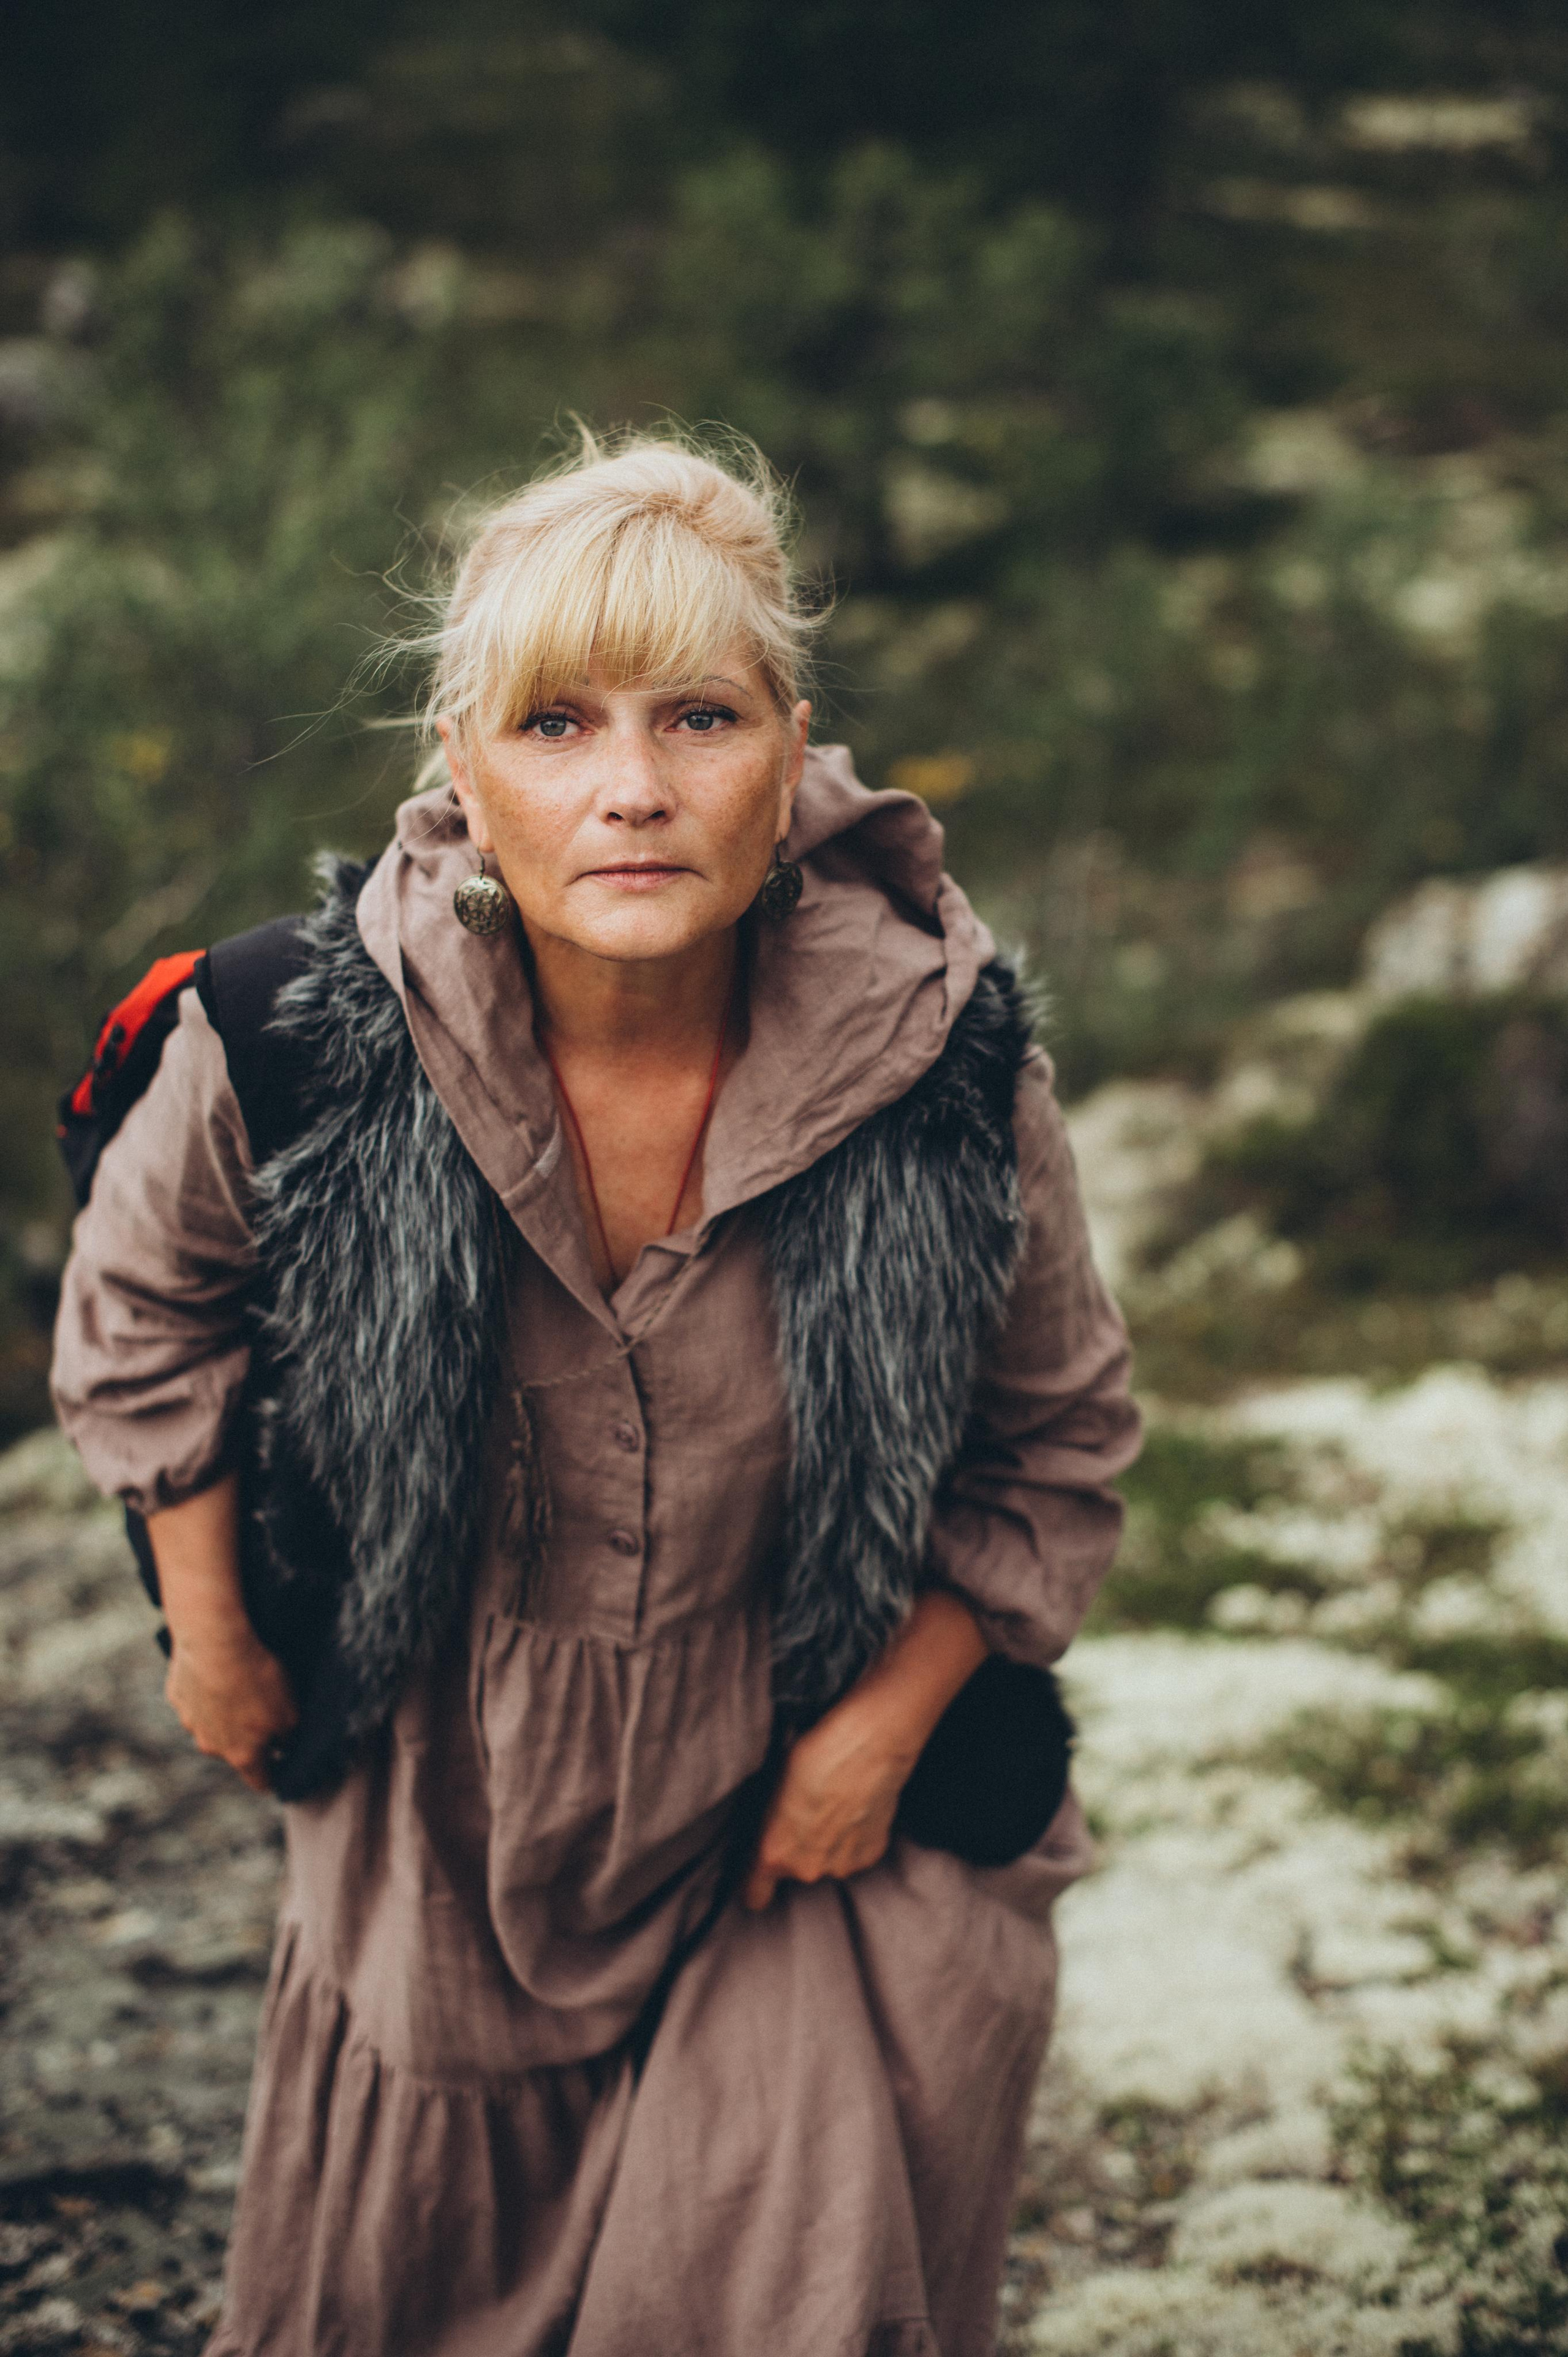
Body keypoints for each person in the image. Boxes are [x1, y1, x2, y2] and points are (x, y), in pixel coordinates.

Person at [51, 430, 1140, 2357]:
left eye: (699, 717)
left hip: (802, 1808)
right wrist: (211, 1638)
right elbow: (143, 1315)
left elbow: (1054, 1435)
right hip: (442, 1799)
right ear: (461, 771)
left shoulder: (945, 1060)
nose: (633, 788)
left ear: (791, 759)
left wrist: (875, 1738)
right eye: (555, 724)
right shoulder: (291, 1037)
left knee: (780, 2297)